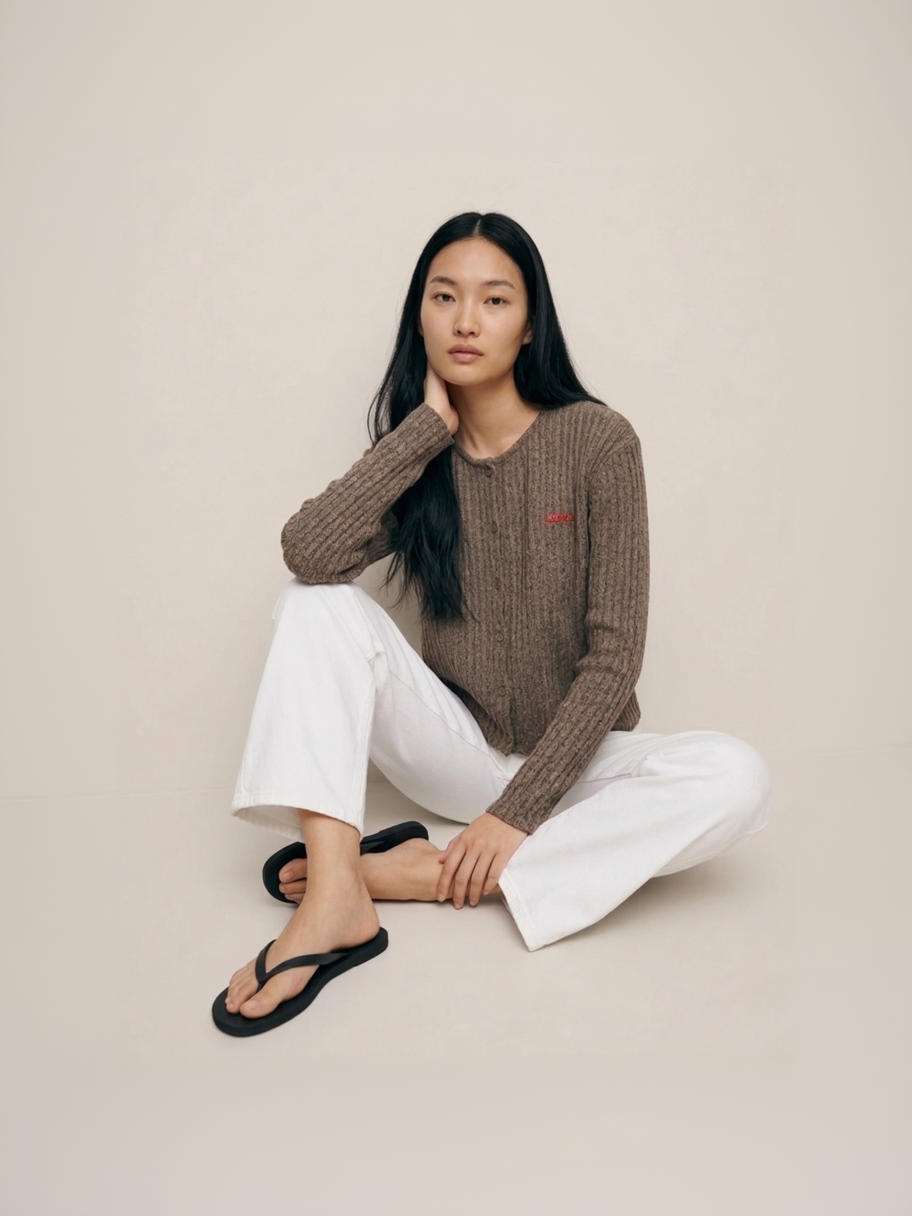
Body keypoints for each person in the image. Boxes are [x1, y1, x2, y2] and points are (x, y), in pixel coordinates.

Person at [211, 211, 773, 1036]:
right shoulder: (419, 456)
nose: (467, 321)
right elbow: (309, 552)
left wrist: (516, 815)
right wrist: (423, 434)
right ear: (421, 317)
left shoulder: (599, 441)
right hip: (456, 752)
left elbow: (616, 658)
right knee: (312, 601)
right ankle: (335, 895)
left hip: (573, 765)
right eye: (444, 297)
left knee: (736, 776)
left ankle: (424, 874)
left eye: (495, 299)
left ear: (530, 323)